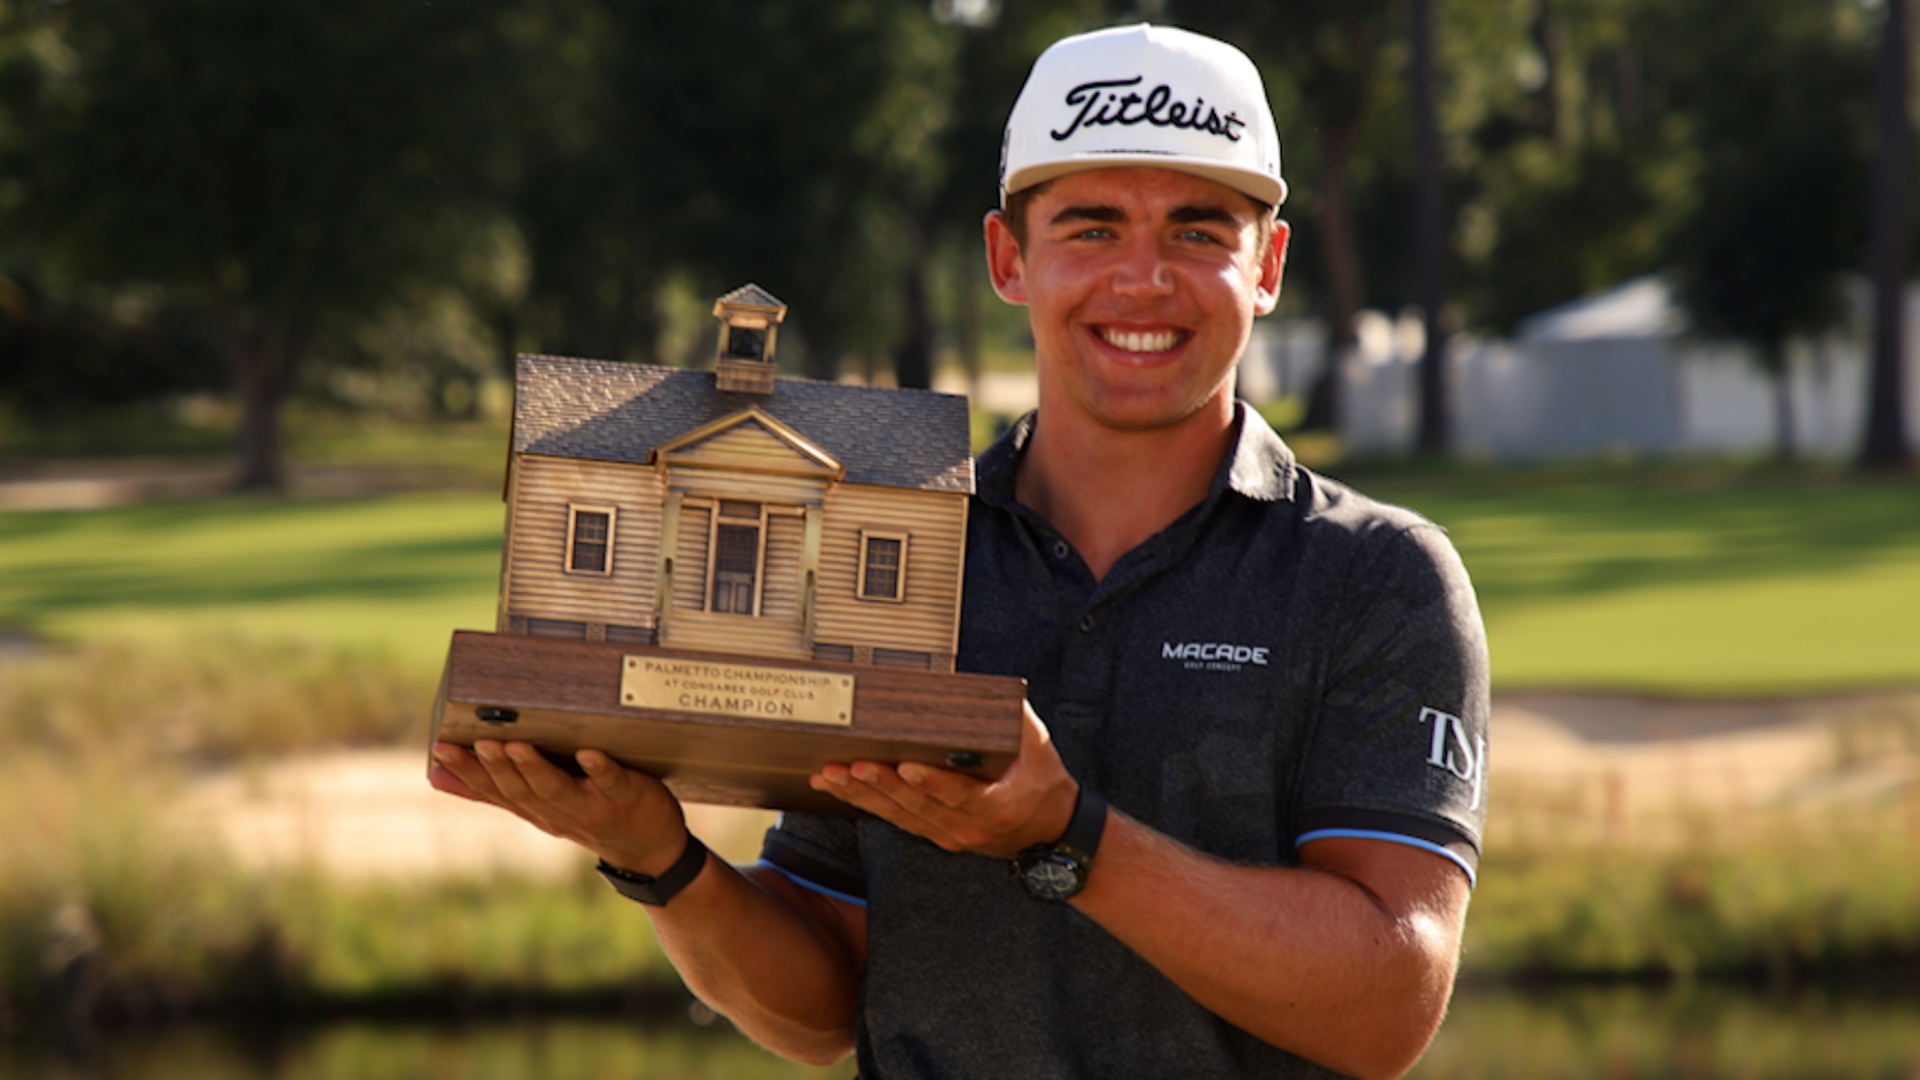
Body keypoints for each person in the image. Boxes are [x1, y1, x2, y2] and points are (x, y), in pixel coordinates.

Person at [430, 23, 1489, 1080]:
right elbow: (824, 1009)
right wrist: (655, 857)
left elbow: (1385, 1008)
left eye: (1199, 232)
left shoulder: (1376, 577)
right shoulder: (898, 533)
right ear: (1007, 258)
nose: (1143, 279)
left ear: (1268, 265)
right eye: (1091, 227)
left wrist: (1067, 834)